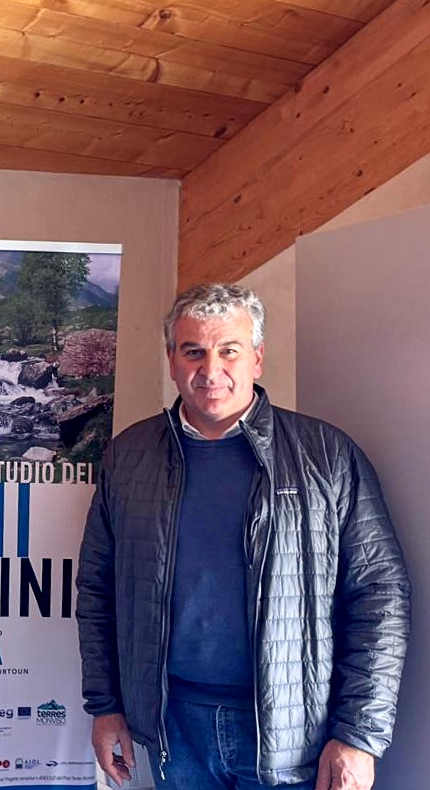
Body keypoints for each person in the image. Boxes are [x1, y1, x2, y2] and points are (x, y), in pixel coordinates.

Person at [76, 283, 411, 790]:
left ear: (256, 357)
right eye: (193, 352)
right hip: (174, 730)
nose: (211, 370)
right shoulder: (129, 457)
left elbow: (379, 598)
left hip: (296, 737)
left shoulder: (328, 456)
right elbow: (98, 592)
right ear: (171, 360)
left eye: (228, 350)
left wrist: (360, 735)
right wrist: (105, 707)